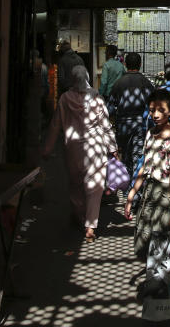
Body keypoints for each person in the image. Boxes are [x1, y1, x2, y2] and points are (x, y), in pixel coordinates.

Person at [42, 65, 118, 243]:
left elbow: (55, 125)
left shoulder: (64, 98)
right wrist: (112, 147)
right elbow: (105, 125)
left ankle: (80, 216)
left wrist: (47, 148)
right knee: (95, 187)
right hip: (96, 147)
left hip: (73, 149)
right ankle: (91, 225)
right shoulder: (97, 99)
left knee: (76, 185)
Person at [124, 89, 170, 260]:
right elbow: (145, 167)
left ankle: (161, 282)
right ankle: (154, 278)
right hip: (149, 192)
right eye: (152, 110)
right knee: (150, 240)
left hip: (167, 194)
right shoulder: (150, 134)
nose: (155, 114)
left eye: (161, 110)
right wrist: (132, 194)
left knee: (164, 240)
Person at [107, 52, 155, 177]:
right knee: (138, 156)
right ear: (140, 64)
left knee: (126, 156)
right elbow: (153, 104)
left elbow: (110, 107)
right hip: (140, 125)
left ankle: (127, 186)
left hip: (122, 125)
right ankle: (135, 189)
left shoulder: (118, 83)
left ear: (125, 64)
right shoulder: (146, 83)